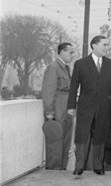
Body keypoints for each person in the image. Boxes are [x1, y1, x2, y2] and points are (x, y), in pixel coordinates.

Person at [67, 36, 111, 176]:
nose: (107, 47)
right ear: (94, 45)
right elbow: (74, 87)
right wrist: (71, 106)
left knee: (100, 137)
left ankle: (98, 165)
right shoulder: (80, 63)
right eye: (104, 44)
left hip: (105, 107)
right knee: (81, 137)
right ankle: (79, 166)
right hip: (85, 107)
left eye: (108, 45)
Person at [41, 42, 74, 170]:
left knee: (65, 143)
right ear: (61, 52)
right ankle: (53, 174)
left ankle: (62, 171)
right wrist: (49, 113)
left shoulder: (65, 68)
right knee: (55, 144)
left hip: (67, 110)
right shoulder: (53, 67)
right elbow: (48, 91)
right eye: (70, 52)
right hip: (57, 110)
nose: (72, 55)